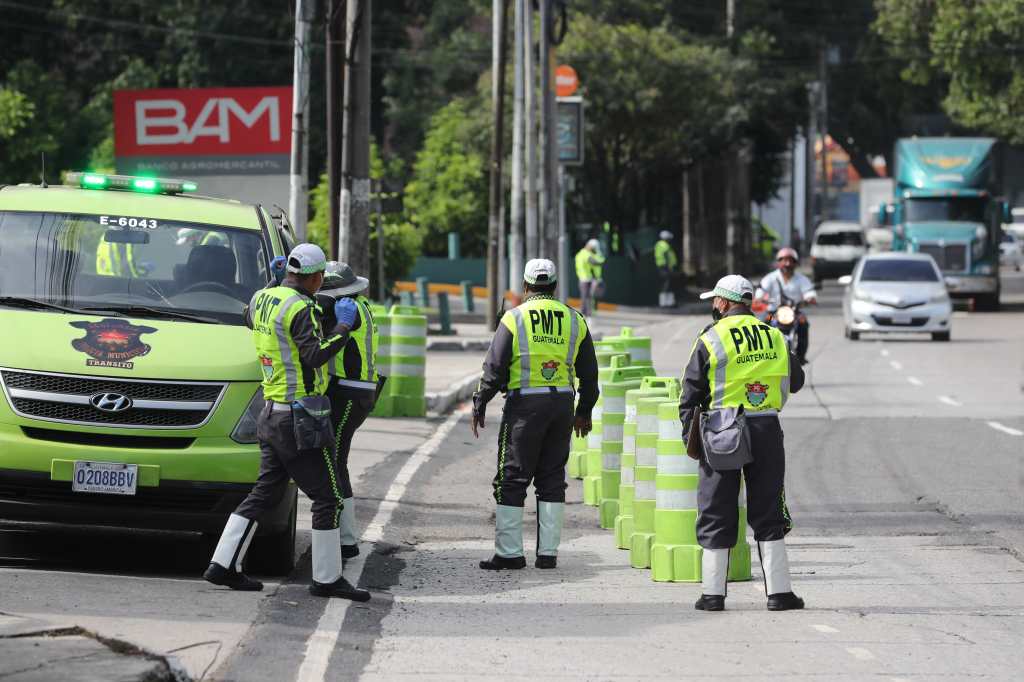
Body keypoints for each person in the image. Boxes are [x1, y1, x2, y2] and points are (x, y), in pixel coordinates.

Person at [203, 243, 370, 602]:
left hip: (270, 412)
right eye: (320, 277)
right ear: (315, 277)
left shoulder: (263, 298)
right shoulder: (301, 307)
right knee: (327, 497)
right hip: (299, 417)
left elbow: (249, 316)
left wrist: (273, 282)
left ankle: (223, 563)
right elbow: (315, 356)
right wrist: (343, 326)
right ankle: (327, 579)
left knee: (264, 492)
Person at [678, 275, 805, 612]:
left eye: (714, 300)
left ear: (723, 302)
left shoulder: (711, 337)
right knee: (768, 509)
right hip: (766, 427)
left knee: (716, 508)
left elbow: (689, 392)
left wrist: (690, 437)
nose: (713, 305)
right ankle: (779, 594)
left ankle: (712, 595)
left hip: (722, 430)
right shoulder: (774, 335)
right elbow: (797, 381)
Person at [472, 259, 599, 570]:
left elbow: (494, 367)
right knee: (552, 477)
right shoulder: (575, 319)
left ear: (525, 286)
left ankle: (509, 553)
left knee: (512, 478)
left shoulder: (514, 318)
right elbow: (590, 374)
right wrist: (584, 410)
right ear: (554, 287)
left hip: (524, 407)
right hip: (562, 406)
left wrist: (480, 401)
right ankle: (548, 554)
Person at [316, 261, 379, 561]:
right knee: (336, 461)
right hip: (359, 391)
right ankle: (345, 537)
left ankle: (346, 540)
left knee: (335, 462)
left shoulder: (344, 310)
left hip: (347, 392)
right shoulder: (361, 305)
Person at [757, 247, 817, 364]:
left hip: (795, 313)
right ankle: (762, 355)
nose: (787, 264)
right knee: (763, 323)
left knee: (803, 322)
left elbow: (810, 293)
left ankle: (801, 356)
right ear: (778, 262)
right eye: (784, 260)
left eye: (791, 261)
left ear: (796, 263)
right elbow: (760, 292)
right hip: (773, 313)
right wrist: (761, 298)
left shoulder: (802, 279)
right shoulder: (770, 278)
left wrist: (809, 299)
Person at [574, 239, 605, 322]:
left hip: (586, 278)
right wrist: (602, 260)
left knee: (587, 297)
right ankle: (586, 316)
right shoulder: (585, 253)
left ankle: (587, 315)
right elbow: (594, 262)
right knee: (586, 297)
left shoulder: (581, 253)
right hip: (585, 279)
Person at [654, 230, 678, 308]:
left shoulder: (660, 244)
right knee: (667, 283)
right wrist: (669, 267)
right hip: (665, 267)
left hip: (663, 266)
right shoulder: (664, 245)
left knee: (668, 283)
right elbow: (666, 256)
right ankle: (665, 303)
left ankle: (668, 302)